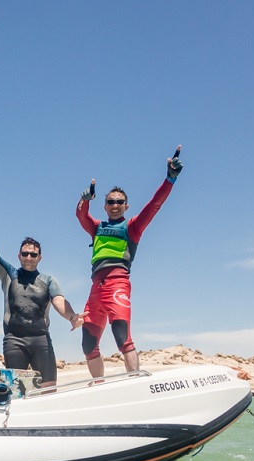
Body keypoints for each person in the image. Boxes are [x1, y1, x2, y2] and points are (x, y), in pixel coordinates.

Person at [75, 146, 183, 377]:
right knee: (87, 345)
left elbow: (154, 205)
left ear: (126, 205)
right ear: (105, 206)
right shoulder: (97, 228)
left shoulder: (132, 227)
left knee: (122, 339)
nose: (115, 205)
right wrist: (85, 199)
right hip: (96, 289)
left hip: (117, 285)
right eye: (111, 202)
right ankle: (99, 387)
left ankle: (135, 383)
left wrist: (170, 179)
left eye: (119, 202)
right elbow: (81, 215)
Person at [0, 205, 85, 387]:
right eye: (25, 253)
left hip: (41, 339)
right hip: (14, 340)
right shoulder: (9, 274)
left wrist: (71, 317)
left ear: (40, 257)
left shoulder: (48, 280)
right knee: (16, 391)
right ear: (19, 255)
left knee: (48, 389)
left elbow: (58, 301)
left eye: (33, 254)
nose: (29, 257)